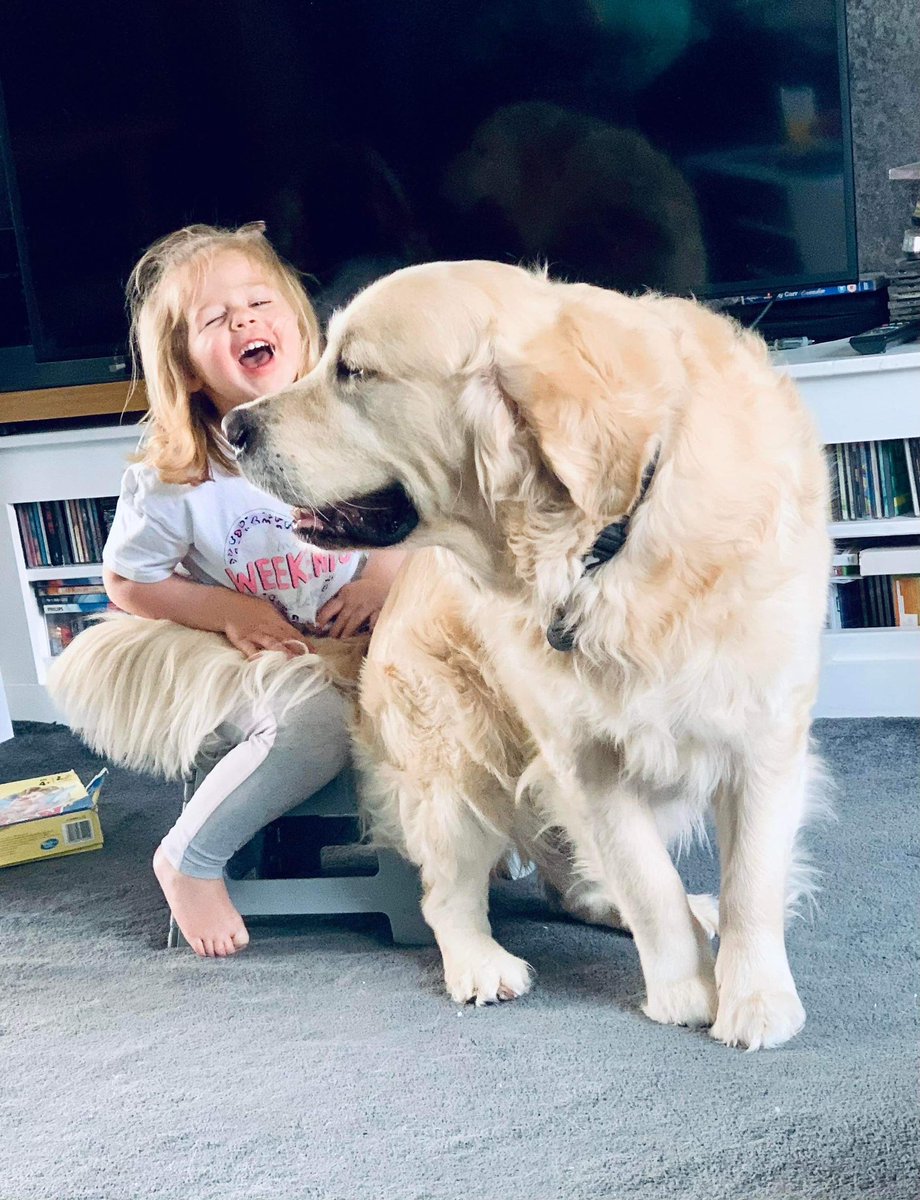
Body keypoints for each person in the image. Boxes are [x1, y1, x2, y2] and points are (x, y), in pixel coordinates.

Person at [102, 222, 405, 958]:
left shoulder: (366, 427)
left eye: (258, 302)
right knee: (316, 724)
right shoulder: (179, 477)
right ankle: (188, 859)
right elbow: (127, 580)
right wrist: (227, 608)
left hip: (381, 632)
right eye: (215, 319)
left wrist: (384, 572)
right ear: (191, 371)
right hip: (264, 659)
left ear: (301, 332)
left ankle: (552, 862)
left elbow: (433, 515)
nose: (243, 320)